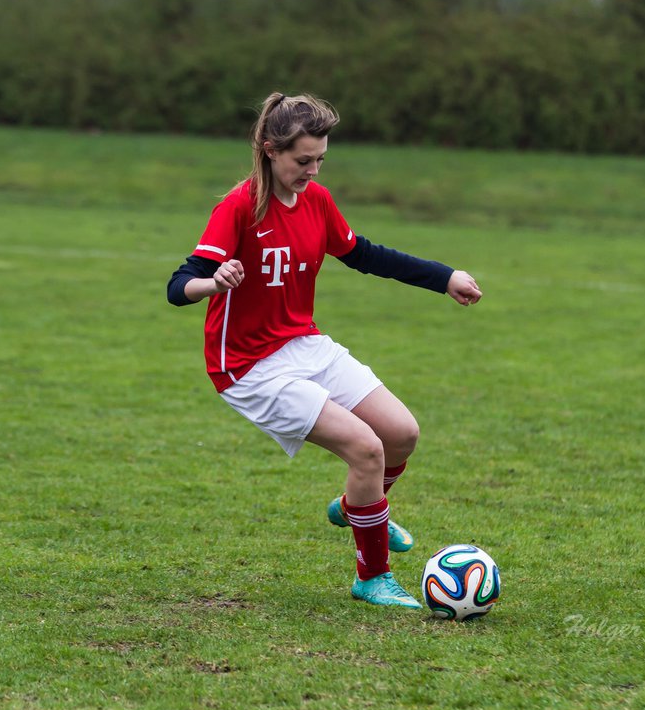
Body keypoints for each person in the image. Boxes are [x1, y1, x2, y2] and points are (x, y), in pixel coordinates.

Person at [167, 93, 483, 609]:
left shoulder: (316, 200)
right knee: (366, 449)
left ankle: (354, 504)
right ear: (270, 150)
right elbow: (179, 284)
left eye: (320, 160)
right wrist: (215, 282)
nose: (312, 171)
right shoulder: (239, 207)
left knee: (401, 434)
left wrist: (443, 277)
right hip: (249, 367)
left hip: (304, 345)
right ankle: (372, 577)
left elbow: (365, 255)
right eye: (302, 161)